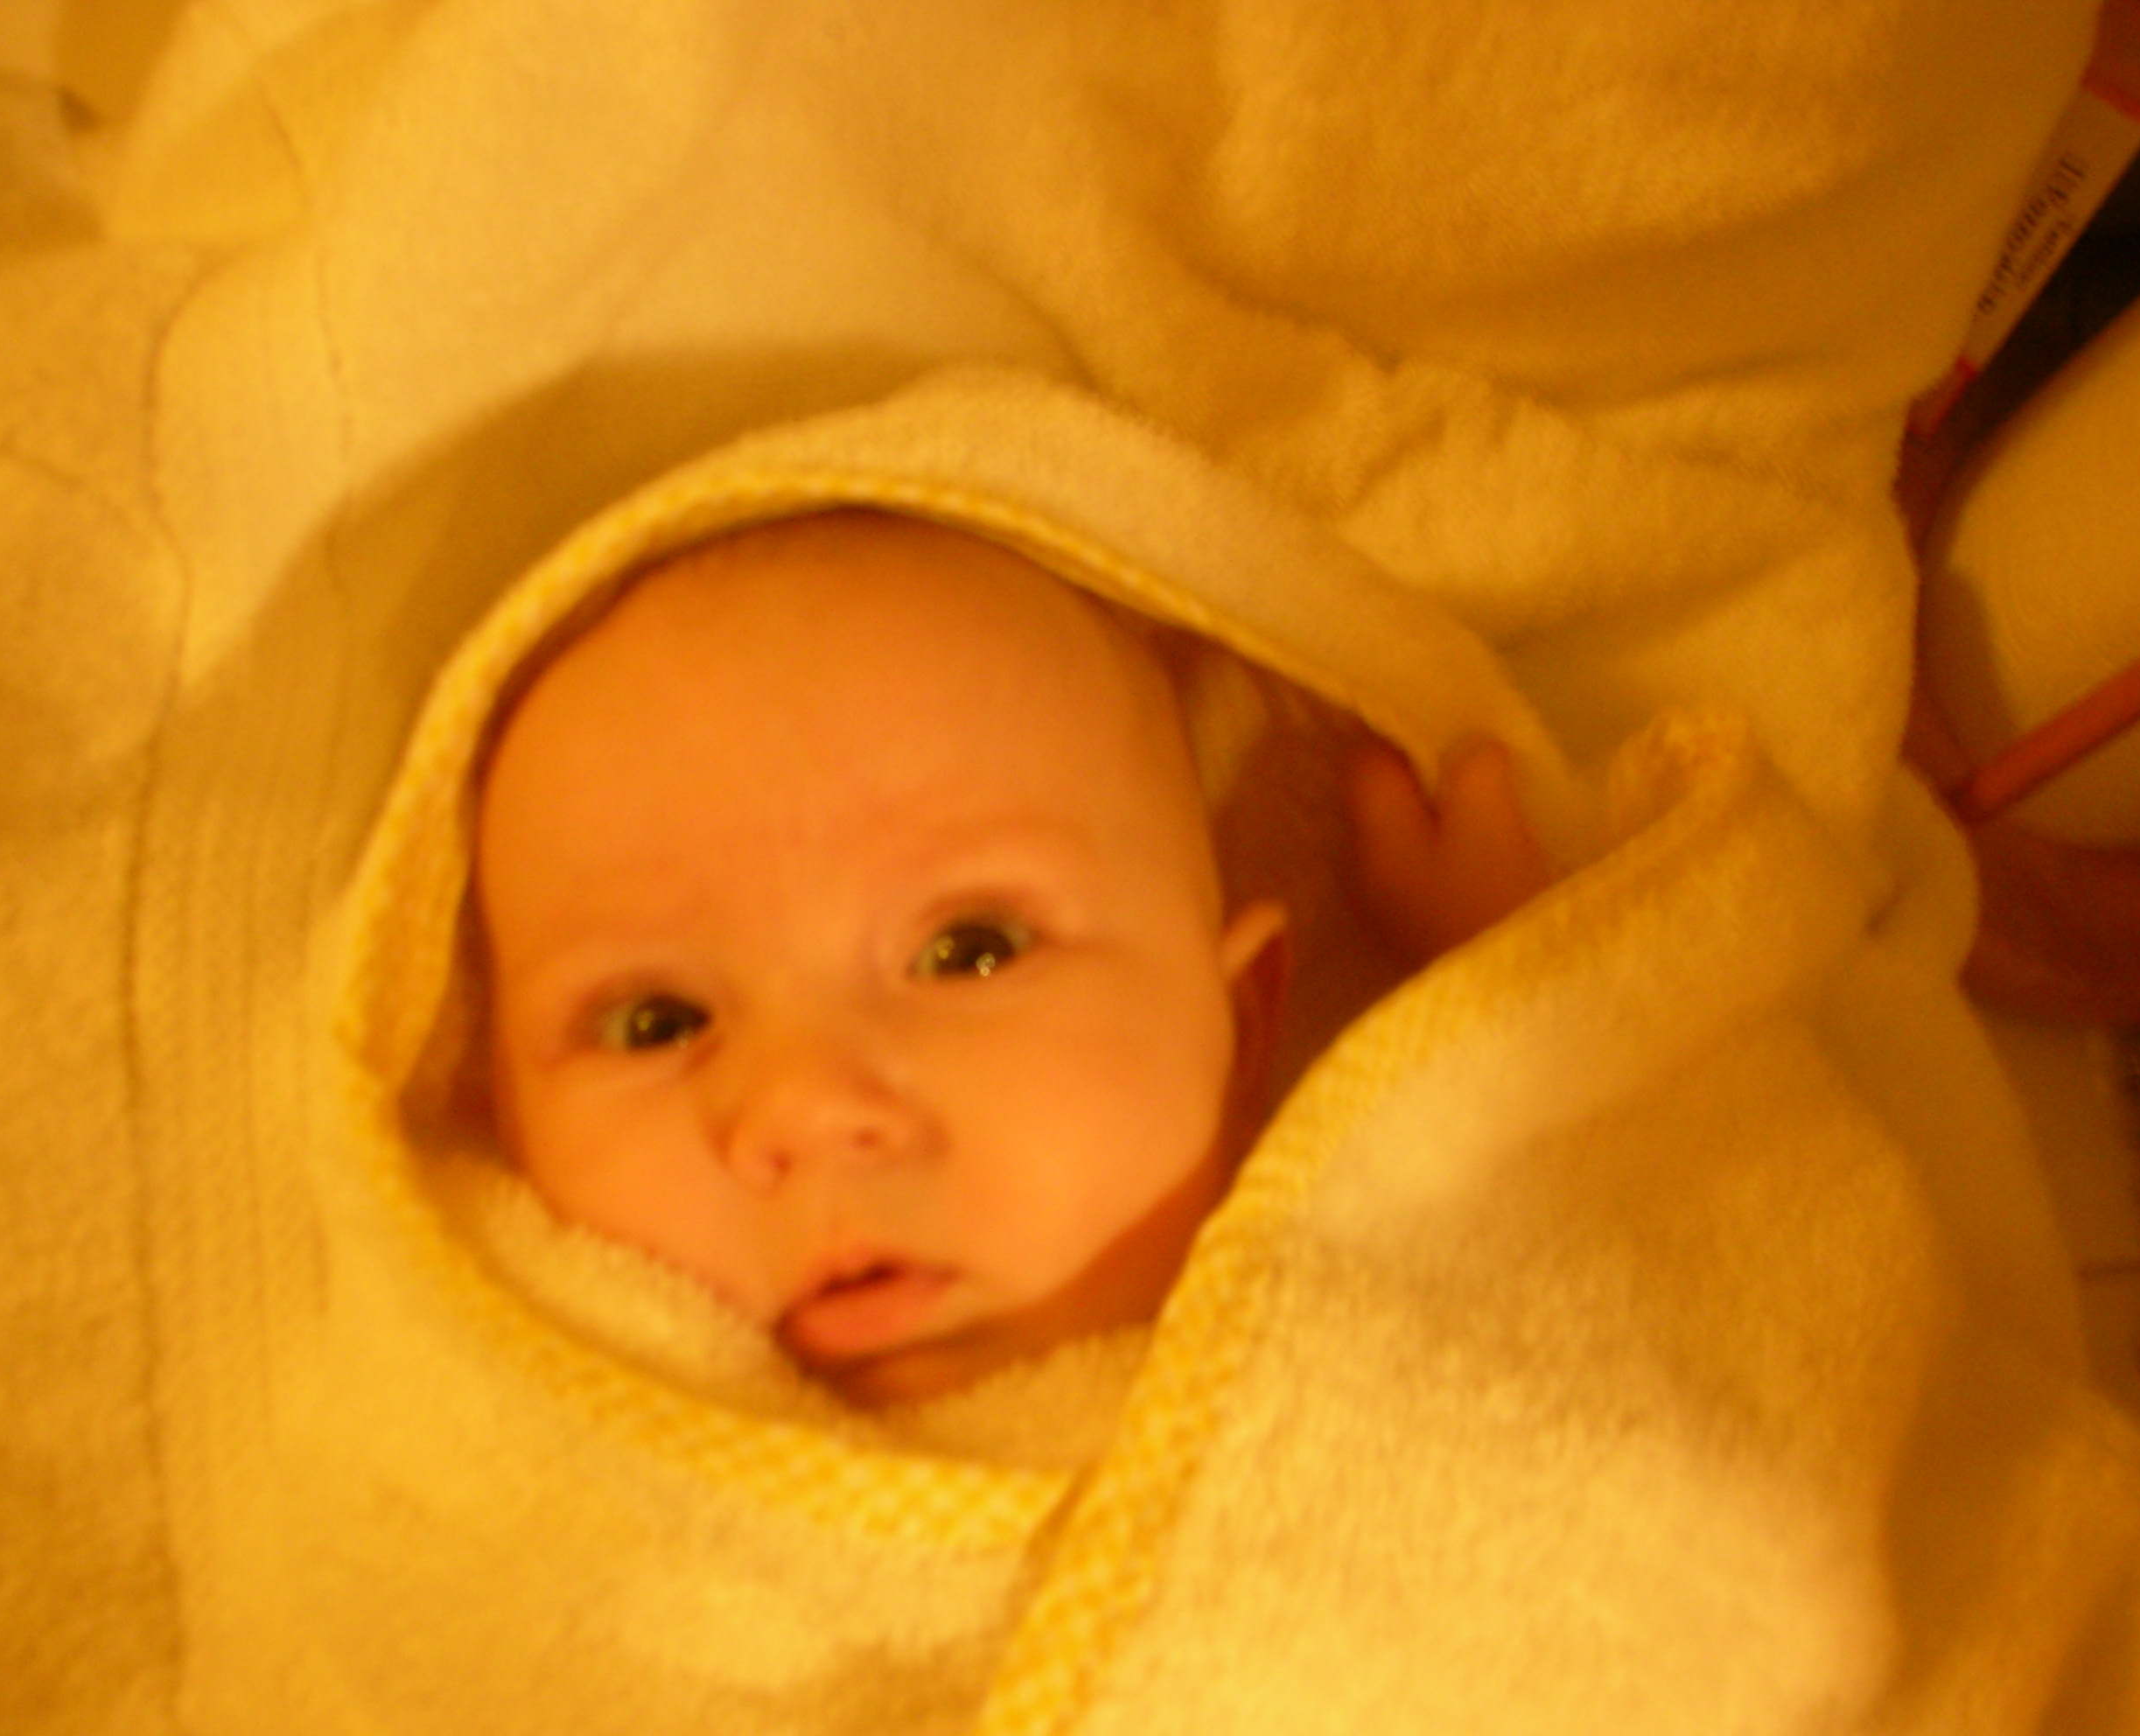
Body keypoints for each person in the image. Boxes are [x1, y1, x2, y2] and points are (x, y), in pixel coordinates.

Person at [472, 508, 1552, 1407]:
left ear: (1237, 1026)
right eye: (654, 1022)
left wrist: (1533, 1009)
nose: (804, 1103)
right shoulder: (481, 1446)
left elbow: (1622, 1258)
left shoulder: (1408, 1326)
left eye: (969, 951)